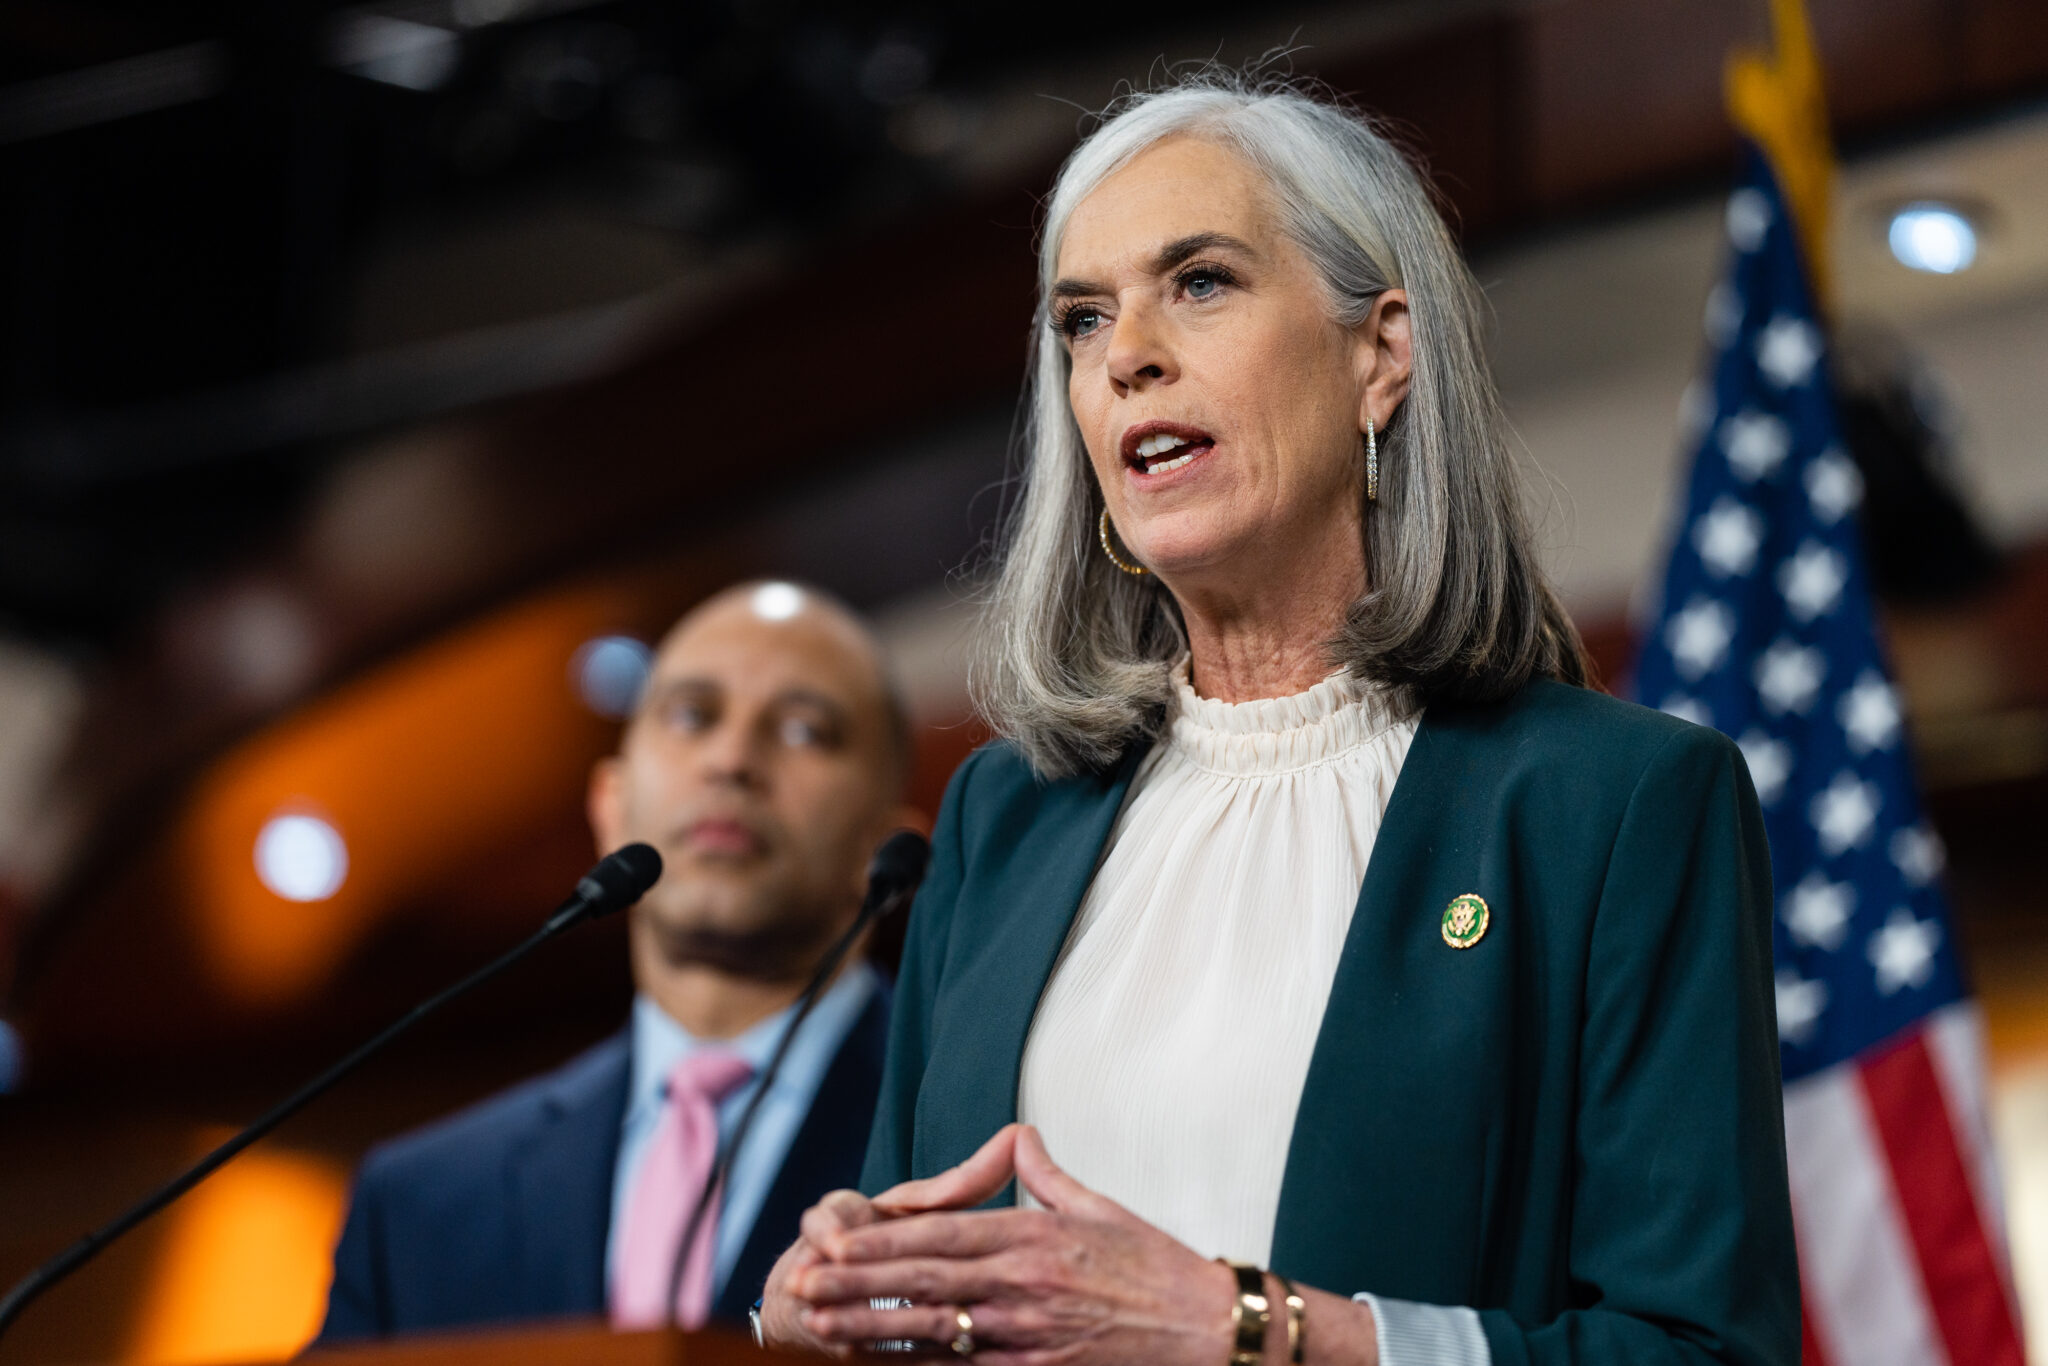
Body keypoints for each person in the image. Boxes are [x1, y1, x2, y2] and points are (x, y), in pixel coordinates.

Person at [760, 75, 1797, 1366]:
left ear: (1381, 354)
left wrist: (1253, 1327)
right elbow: (923, 1278)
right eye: (1082, 319)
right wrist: (825, 1309)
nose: (1126, 349)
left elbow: (1703, 1349)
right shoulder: (1002, 815)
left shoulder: (1613, 802)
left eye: (1199, 282)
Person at [320, 580, 918, 1341]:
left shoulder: (975, 1134)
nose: (731, 760)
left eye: (804, 731)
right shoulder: (419, 1206)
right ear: (609, 807)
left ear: (886, 847)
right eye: (691, 716)